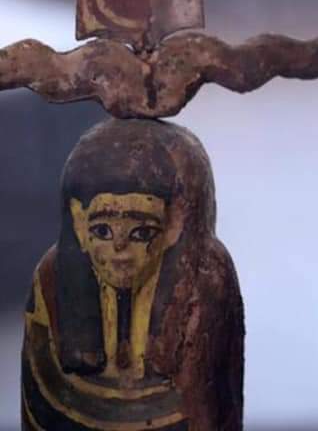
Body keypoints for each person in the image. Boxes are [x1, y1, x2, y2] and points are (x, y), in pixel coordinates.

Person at [21, 119, 243, 431]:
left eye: (141, 233)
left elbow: (215, 410)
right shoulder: (50, 279)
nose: (120, 251)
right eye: (102, 231)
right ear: (79, 227)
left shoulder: (207, 279)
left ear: (174, 229)